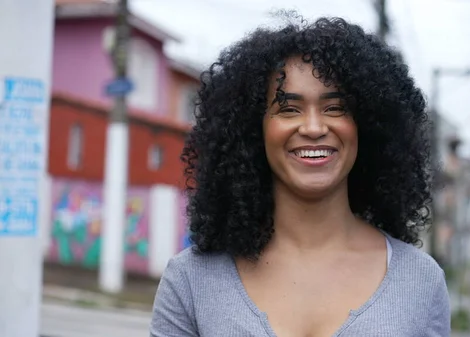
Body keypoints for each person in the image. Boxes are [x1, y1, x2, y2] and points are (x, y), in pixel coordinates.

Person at [150, 15, 450, 337]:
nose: (313, 128)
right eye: (289, 109)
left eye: (335, 108)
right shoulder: (192, 280)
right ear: (254, 130)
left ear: (368, 126)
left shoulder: (420, 281)